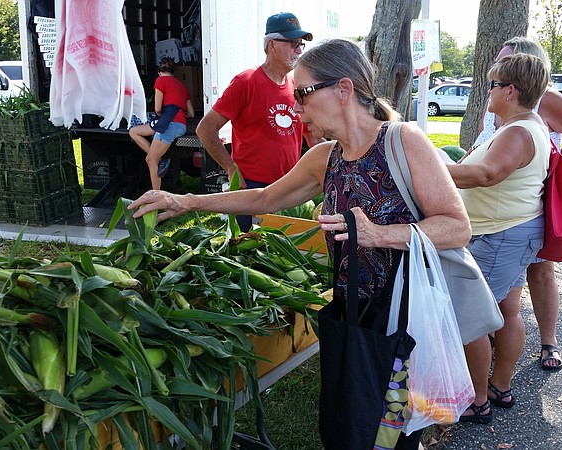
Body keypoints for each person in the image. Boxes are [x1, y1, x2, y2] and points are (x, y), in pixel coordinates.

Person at [131, 38, 471, 450]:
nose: (296, 107)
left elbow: (457, 227)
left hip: (403, 317)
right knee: (347, 424)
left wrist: (382, 234)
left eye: (303, 94)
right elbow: (263, 198)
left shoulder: (403, 142)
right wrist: (185, 200)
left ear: (343, 89)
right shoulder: (324, 157)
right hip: (349, 313)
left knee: (390, 433)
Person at [472, 37, 562, 371]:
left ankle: (549, 342)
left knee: (540, 270)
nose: (496, 70)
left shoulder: (539, 100)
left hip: (525, 198)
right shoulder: (500, 101)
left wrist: (556, 167)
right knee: (508, 299)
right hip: (502, 199)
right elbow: (484, 142)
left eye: (506, 61)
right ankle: (497, 367)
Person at [448, 53, 551, 424]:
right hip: (509, 232)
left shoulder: (519, 131)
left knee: (471, 318)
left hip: (500, 236)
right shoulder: (525, 124)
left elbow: (486, 175)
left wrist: (430, 167)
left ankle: (477, 400)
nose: (487, 92)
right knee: (506, 312)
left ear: (510, 90)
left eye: (492, 85)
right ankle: (499, 386)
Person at [195, 12, 313, 232]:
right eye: (292, 43)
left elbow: (311, 135)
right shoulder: (246, 82)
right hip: (250, 189)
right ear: (271, 45)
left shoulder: (296, 87)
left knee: (282, 258)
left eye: (300, 45)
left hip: (287, 190)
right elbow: (205, 129)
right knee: (249, 254)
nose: (298, 50)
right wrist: (231, 169)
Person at [128, 57, 195, 191]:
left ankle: (156, 197)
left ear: (159, 72)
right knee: (134, 131)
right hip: (180, 124)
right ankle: (162, 159)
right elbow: (192, 114)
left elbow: (158, 108)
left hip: (169, 123)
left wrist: (162, 115)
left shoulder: (160, 81)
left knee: (151, 160)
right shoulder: (181, 86)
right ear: (173, 73)